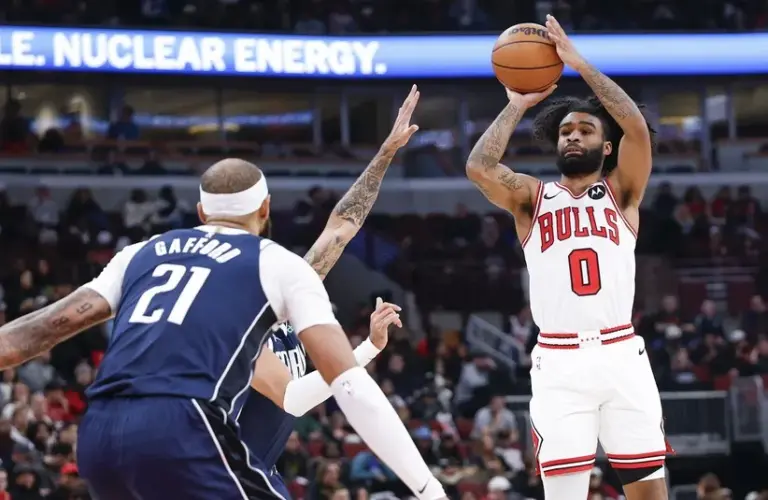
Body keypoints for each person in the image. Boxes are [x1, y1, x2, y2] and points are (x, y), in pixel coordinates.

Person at [0, 167, 446, 497]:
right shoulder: (275, 265)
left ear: (200, 212)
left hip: (98, 435)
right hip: (184, 430)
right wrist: (428, 488)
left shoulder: (139, 253)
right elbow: (347, 386)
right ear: (266, 209)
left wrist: (385, 155)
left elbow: (40, 330)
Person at [465, 15, 668, 500]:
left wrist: (579, 64)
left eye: (584, 129)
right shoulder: (531, 198)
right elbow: (479, 167)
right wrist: (515, 105)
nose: (572, 136)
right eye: (565, 131)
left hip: (621, 354)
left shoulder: (623, 193)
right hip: (558, 360)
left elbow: (637, 128)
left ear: (606, 145)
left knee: (649, 495)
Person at [239, 85, 421, 497]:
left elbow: (341, 228)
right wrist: (368, 349)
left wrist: (386, 152)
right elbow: (295, 398)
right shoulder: (240, 326)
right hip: (220, 475)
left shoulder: (287, 294)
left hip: (261, 472)